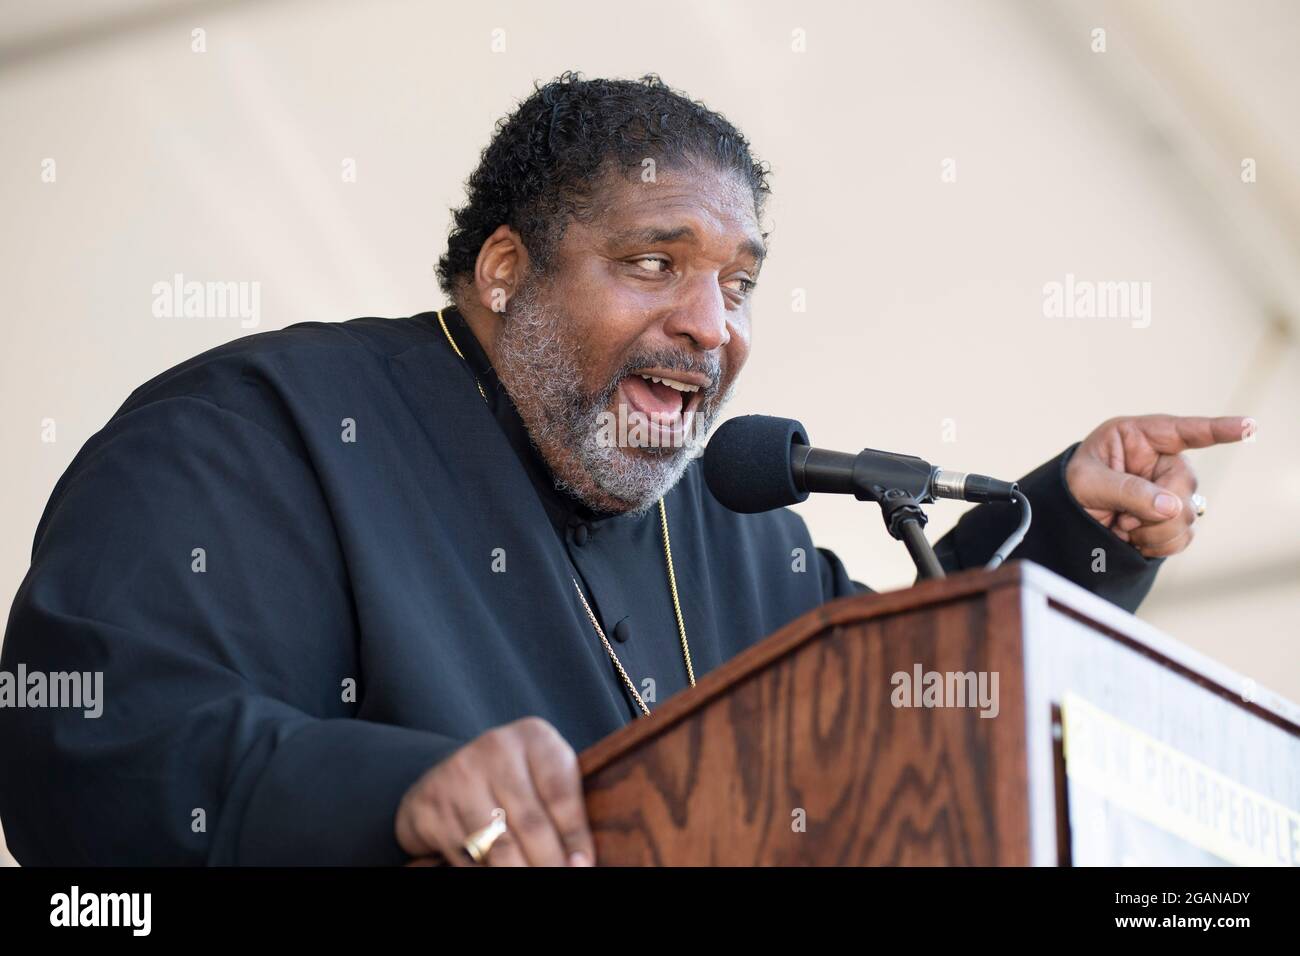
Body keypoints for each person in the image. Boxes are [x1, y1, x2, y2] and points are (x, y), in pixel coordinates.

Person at [0, 73, 1247, 866]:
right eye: (657, 262)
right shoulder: (259, 432)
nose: (714, 323)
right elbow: (86, 746)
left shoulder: (736, 527)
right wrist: (399, 789)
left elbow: (899, 733)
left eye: (739, 281)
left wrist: (1081, 539)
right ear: (506, 273)